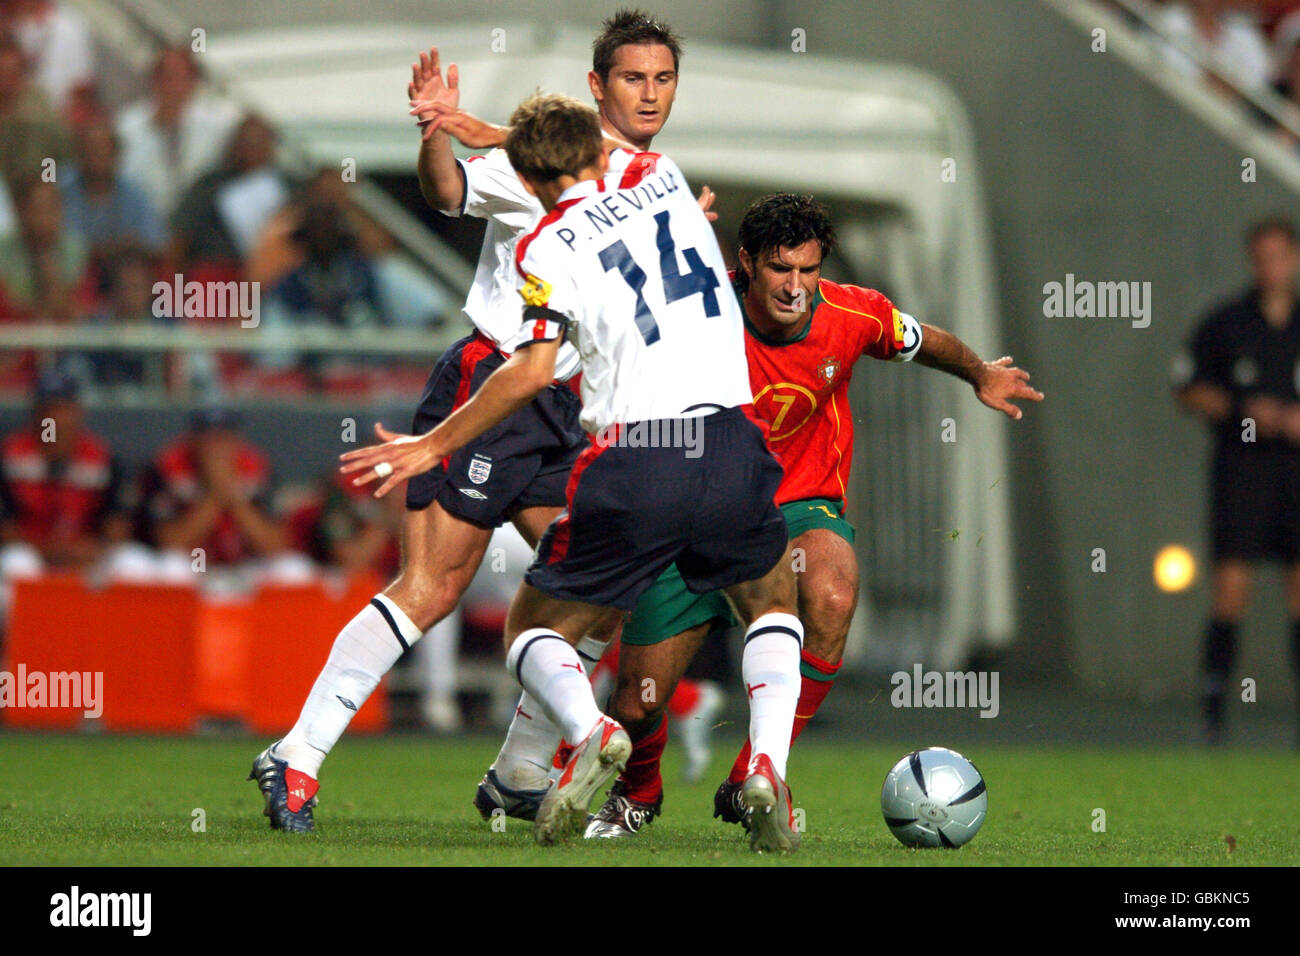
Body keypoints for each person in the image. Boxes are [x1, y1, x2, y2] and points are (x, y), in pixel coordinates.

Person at [245, 9, 709, 834]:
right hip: (493, 383)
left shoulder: (651, 175)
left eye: (664, 78)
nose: (650, 93)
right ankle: (297, 756)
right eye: (633, 78)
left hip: (570, 408)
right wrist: (435, 133)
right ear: (598, 85)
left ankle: (518, 771)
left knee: (602, 595)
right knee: (433, 588)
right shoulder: (537, 158)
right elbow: (450, 188)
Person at [341, 93, 805, 851]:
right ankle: (767, 764)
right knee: (771, 602)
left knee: (531, 628)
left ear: (524, 173)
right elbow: (584, 149)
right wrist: (498, 133)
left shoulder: (545, 249)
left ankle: (591, 731)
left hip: (637, 455)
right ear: (598, 152)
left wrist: (434, 444)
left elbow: (527, 376)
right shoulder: (662, 176)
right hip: (732, 439)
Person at [573, 193, 1043, 837]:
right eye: (779, 269)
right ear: (745, 264)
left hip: (797, 506)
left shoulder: (852, 314)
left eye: (808, 269)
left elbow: (922, 339)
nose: (795, 287)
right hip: (692, 515)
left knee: (831, 591)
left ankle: (754, 775)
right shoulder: (694, 318)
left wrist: (978, 372)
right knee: (637, 700)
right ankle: (641, 792)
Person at [1173, 217, 1300, 746]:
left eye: (1278, 256)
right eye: (1260, 257)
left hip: (1295, 474)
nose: (1269, 267)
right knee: (1230, 591)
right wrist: (1244, 408)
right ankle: (1213, 716)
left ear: (1293, 258)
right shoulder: (1225, 324)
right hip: (1242, 473)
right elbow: (1187, 388)